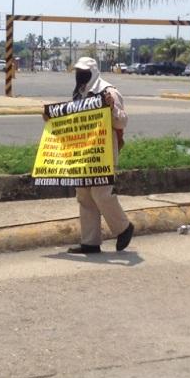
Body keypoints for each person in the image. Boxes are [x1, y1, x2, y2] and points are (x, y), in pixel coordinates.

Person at [64, 57, 134, 254]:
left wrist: (112, 108)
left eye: (83, 71)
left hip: (104, 153)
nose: (80, 74)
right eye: (78, 71)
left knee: (101, 194)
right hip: (83, 152)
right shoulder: (79, 92)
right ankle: (90, 242)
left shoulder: (108, 92)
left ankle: (124, 228)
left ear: (93, 72)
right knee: (84, 195)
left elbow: (122, 122)